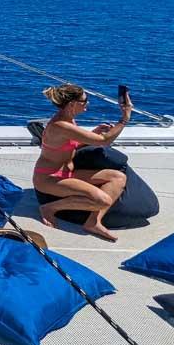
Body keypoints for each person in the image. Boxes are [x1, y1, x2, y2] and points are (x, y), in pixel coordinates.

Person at [32, 83, 132, 242]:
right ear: (72, 104)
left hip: (67, 173)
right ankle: (49, 208)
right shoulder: (61, 125)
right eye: (84, 101)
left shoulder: (68, 119)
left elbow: (69, 145)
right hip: (49, 178)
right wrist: (124, 119)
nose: (88, 103)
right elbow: (105, 141)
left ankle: (93, 222)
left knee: (117, 177)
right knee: (103, 200)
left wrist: (93, 133)